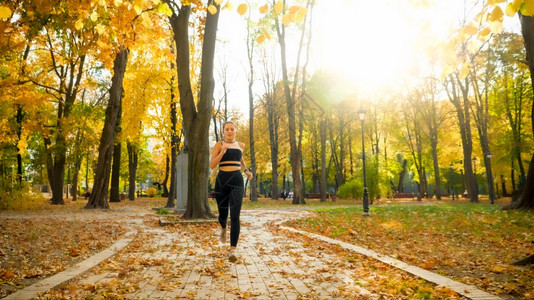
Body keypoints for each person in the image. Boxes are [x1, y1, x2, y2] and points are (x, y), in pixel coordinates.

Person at [209, 120, 253, 262]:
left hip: (236, 181)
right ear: (223, 131)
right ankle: (223, 226)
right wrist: (222, 152)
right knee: (223, 214)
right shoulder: (219, 145)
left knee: (235, 216)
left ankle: (233, 249)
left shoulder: (241, 145)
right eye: (227, 129)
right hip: (222, 181)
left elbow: (240, 159)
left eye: (232, 129)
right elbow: (212, 165)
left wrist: (246, 170)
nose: (229, 131)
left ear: (235, 131)